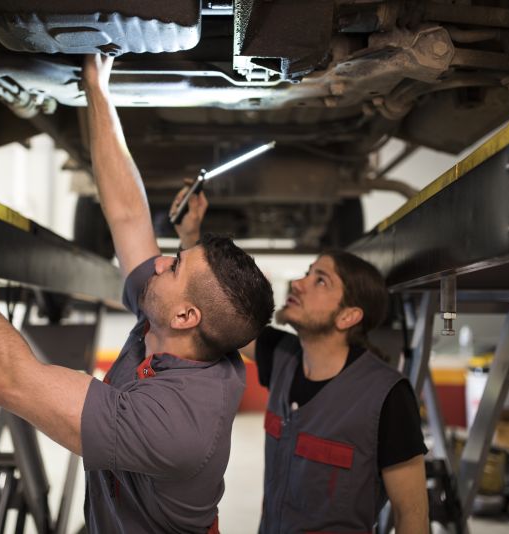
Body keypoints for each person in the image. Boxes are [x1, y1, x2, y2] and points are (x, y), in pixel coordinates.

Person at [0, 54, 274, 534]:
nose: (157, 262)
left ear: (187, 316)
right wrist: (97, 88)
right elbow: (128, 216)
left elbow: (6, 378)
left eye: (173, 266)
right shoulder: (169, 328)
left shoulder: (177, 425)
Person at [172, 187, 430, 533]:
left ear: (348, 316)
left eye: (320, 280)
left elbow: (412, 516)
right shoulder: (282, 356)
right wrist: (190, 236)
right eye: (308, 272)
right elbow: (217, 312)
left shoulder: (387, 396)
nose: (299, 282)